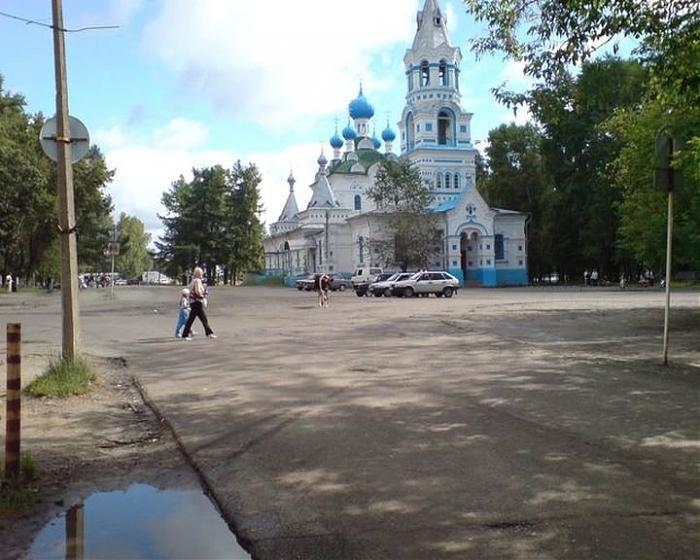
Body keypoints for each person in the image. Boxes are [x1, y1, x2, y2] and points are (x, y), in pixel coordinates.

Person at [181, 267, 216, 340]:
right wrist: (203, 295)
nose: (202, 274)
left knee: (198, 319)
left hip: (193, 302)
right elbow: (197, 291)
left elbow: (189, 289)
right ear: (199, 273)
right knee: (200, 319)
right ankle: (185, 335)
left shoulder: (193, 280)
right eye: (201, 273)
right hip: (197, 302)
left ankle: (209, 333)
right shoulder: (198, 281)